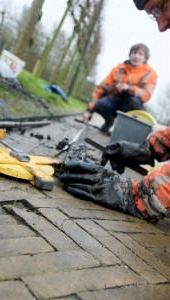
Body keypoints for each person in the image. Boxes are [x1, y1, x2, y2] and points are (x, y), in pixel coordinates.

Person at [60, 0, 170, 223]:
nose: (161, 26)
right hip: (115, 103)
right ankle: (108, 124)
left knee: (133, 99)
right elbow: (101, 88)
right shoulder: (119, 68)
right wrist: (149, 149)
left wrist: (143, 196)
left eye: (161, 6)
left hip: (132, 102)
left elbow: (145, 95)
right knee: (103, 103)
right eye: (154, 14)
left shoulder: (149, 73)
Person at [82, 43, 158, 133]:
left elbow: (146, 95)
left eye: (140, 54)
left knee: (132, 101)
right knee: (100, 104)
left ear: (145, 58)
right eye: (134, 53)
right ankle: (109, 122)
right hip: (115, 101)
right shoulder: (117, 70)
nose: (136, 56)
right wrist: (89, 111)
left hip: (132, 106)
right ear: (130, 55)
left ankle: (121, 131)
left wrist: (128, 88)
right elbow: (100, 89)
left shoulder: (151, 74)